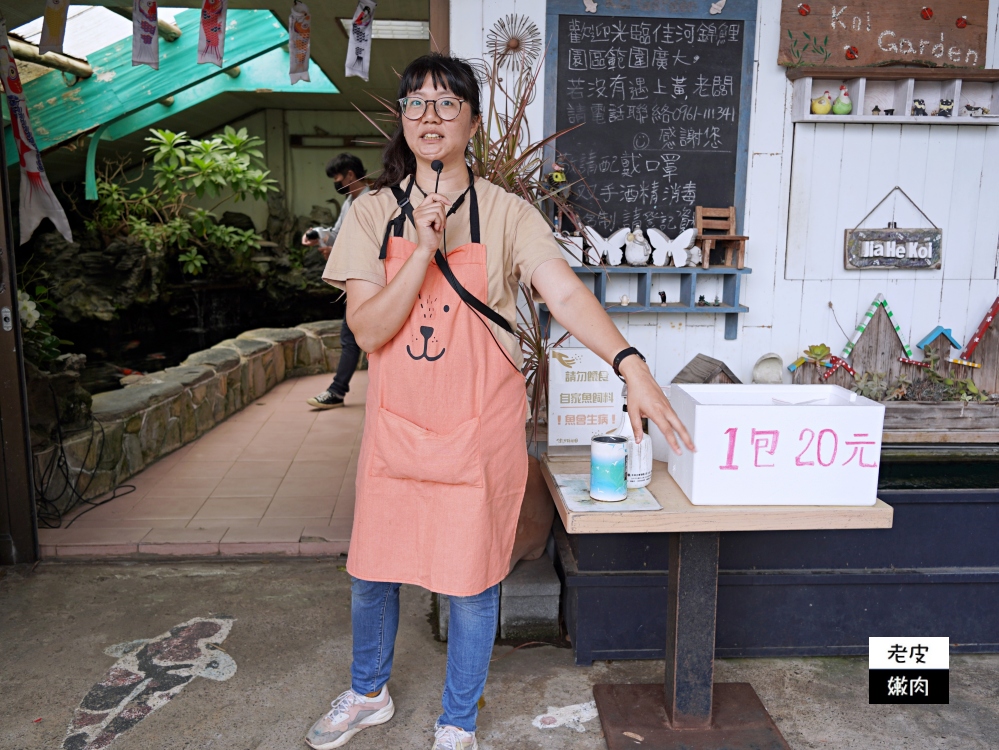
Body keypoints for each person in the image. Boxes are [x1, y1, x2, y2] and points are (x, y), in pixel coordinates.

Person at [309, 54, 695, 750]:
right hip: (398, 426)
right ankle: (368, 694)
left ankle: (457, 722)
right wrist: (423, 250)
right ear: (402, 119)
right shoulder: (369, 213)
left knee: (470, 580)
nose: (430, 114)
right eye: (416, 102)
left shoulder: (510, 214)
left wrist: (629, 364)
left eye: (446, 102)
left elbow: (566, 294)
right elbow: (367, 330)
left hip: (477, 424)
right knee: (372, 570)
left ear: (472, 121)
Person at [302, 153, 370, 409]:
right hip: (355, 279)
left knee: (352, 336)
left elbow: (369, 244)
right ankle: (338, 391)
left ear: (350, 174)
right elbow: (339, 235)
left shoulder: (370, 201)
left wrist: (337, 249)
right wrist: (319, 237)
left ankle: (338, 391)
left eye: (337, 177)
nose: (336, 182)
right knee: (351, 337)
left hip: (368, 281)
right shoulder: (349, 202)